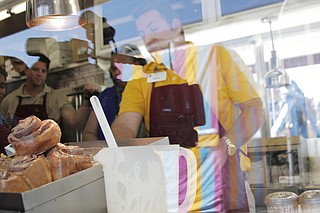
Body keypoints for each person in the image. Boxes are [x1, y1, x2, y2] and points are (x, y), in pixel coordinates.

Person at [111, 0, 265, 212]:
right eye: (142, 32)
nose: (148, 38)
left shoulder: (215, 58)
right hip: (171, 194)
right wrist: (117, 147)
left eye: (153, 28)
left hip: (223, 187)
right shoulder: (141, 79)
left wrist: (225, 146)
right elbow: (125, 124)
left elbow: (255, 110)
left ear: (175, 25)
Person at [0, 54, 99, 139]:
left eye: (43, 71)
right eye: (35, 70)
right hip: (21, 156)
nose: (40, 74)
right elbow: (5, 132)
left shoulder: (56, 97)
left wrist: (86, 100)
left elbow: (75, 122)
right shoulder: (9, 100)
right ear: (26, 71)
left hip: (51, 155)